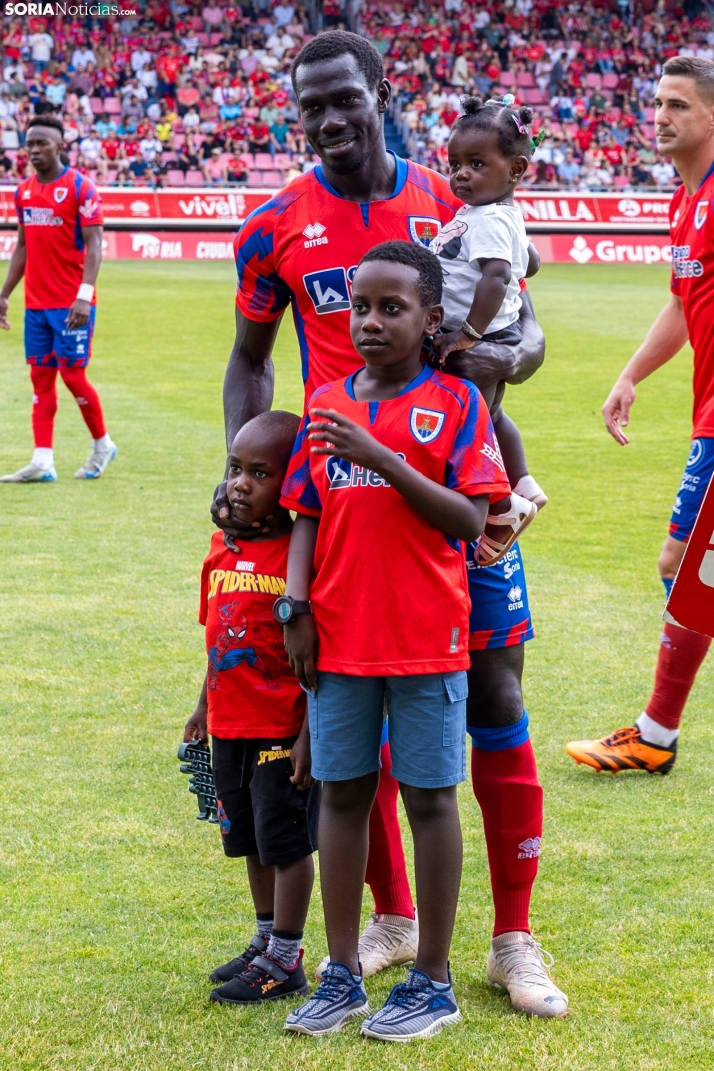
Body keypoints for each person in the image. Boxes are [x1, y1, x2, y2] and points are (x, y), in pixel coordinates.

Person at [222, 30, 567, 1018]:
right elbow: (250, 358)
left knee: (494, 689)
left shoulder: (452, 203)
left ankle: (513, 937)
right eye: (311, 106)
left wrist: (499, 360)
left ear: (381, 92)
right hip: (344, 511)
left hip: (456, 486)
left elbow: (527, 332)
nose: (330, 119)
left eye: (346, 98)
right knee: (351, 698)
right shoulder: (273, 224)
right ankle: (394, 918)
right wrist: (241, 480)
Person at [281, 241, 508, 1040]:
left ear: (430, 317)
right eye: (360, 307)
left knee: (429, 798)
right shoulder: (325, 402)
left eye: (391, 308)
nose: (370, 322)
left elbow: (470, 519)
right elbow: (307, 512)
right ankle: (342, 974)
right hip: (340, 637)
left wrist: (382, 458)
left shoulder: (455, 403)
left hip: (425, 636)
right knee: (342, 794)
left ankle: (432, 979)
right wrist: (295, 604)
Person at [565, 56, 714, 776]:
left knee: (683, 565)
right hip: (706, 413)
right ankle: (656, 733)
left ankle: (656, 734)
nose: (660, 116)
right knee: (690, 569)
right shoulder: (685, 202)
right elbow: (684, 303)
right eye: (658, 102)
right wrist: (630, 375)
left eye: (678, 104)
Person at [184, 410, 320, 1007]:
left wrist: (310, 735)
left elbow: (321, 658)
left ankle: (286, 960)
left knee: (285, 841)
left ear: (292, 483)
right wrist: (201, 708)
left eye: (260, 473)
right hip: (230, 723)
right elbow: (217, 639)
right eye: (235, 468)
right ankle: (265, 939)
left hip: (280, 729)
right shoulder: (221, 549)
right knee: (249, 837)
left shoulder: (300, 557)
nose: (240, 483)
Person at [429, 95, 548, 568]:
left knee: (471, 430)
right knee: (492, 417)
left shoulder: (492, 217)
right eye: (455, 164)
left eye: (476, 164)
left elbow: (498, 277)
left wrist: (466, 335)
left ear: (515, 169)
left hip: (478, 338)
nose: (461, 174)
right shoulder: (491, 214)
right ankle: (523, 483)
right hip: (492, 335)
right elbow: (529, 263)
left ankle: (501, 509)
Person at [0, 116, 117, 484]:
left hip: (71, 305)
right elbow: (22, 247)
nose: (34, 150)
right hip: (36, 305)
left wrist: (84, 296)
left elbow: (95, 245)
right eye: (30, 144)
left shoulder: (81, 188)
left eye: (42, 144)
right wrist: (4, 294)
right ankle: (42, 460)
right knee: (40, 378)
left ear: (60, 147)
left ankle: (102, 445)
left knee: (72, 375)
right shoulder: (23, 192)